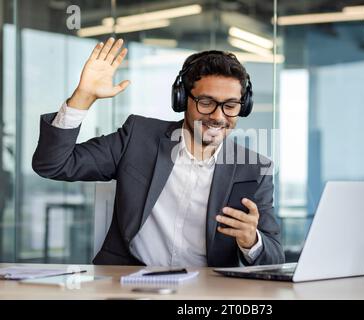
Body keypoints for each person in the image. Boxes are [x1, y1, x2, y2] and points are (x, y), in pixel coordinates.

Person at [32, 37, 284, 267]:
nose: (218, 116)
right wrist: (83, 98)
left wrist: (252, 240)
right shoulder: (138, 137)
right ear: (182, 99)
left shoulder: (254, 169)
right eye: (206, 103)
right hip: (126, 285)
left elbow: (274, 256)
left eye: (230, 106)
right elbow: (53, 164)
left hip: (206, 291)